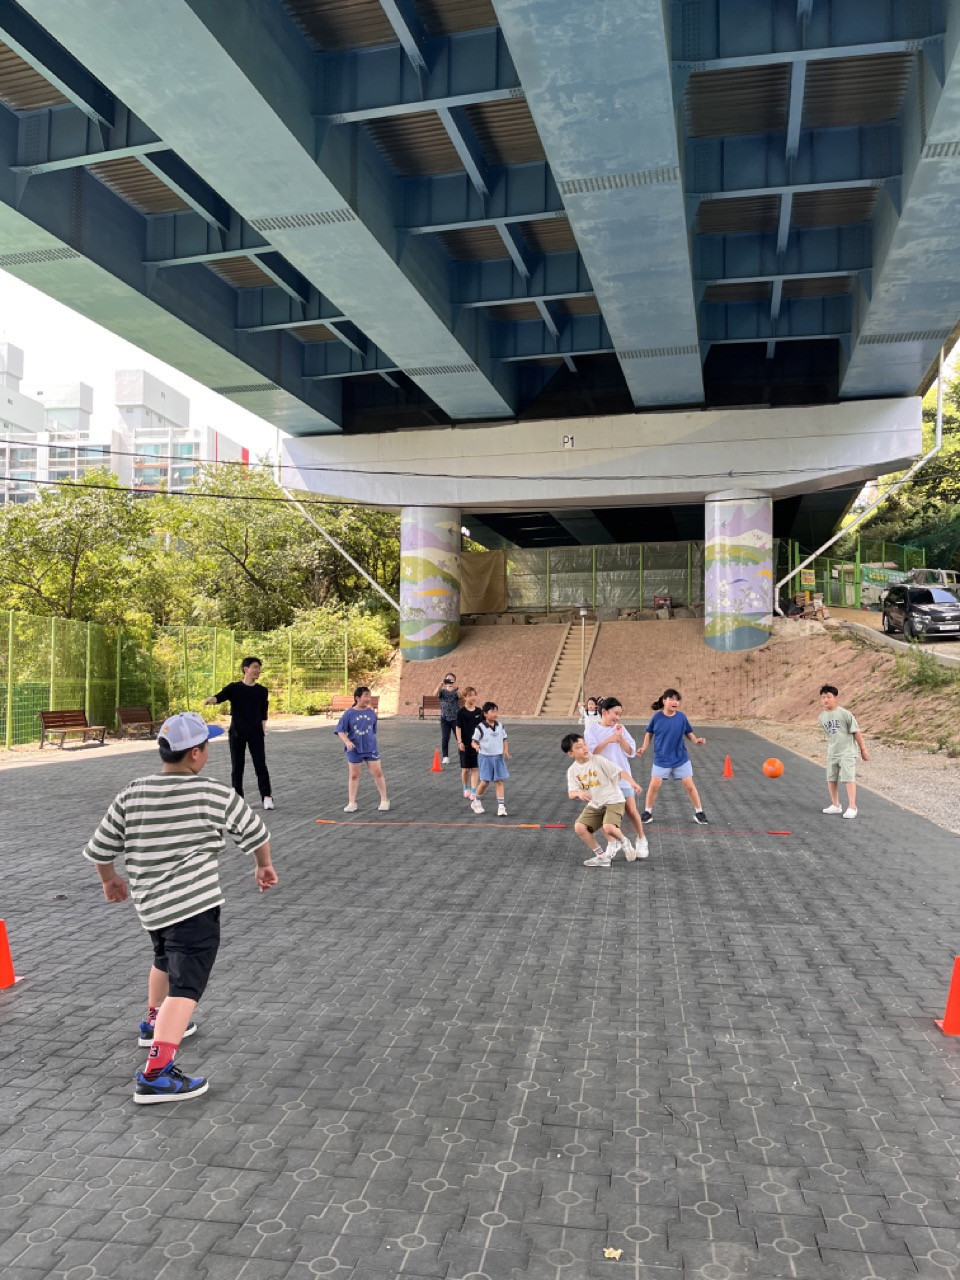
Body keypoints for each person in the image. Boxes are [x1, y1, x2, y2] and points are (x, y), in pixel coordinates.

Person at [82, 711, 278, 1104]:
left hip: (152, 908)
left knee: (163, 960)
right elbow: (255, 832)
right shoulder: (212, 792)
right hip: (195, 906)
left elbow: (101, 848)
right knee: (187, 986)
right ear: (195, 753)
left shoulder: (133, 792)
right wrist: (263, 865)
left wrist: (110, 880)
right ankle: (156, 1073)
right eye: (206, 745)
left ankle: (153, 1023)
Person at [563, 733, 644, 868]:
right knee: (579, 827)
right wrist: (579, 793)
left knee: (608, 827)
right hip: (595, 804)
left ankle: (624, 842)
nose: (584, 748)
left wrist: (632, 782)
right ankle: (602, 857)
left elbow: (620, 771)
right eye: (578, 747)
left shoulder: (598, 760)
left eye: (584, 744)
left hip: (614, 801)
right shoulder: (572, 771)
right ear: (570, 754)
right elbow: (571, 794)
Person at [204, 656, 273, 810]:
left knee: (260, 764)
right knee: (237, 766)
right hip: (237, 732)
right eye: (255, 667)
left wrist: (263, 728)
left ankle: (267, 796)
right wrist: (211, 699)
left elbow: (264, 712)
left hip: (255, 732)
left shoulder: (262, 690)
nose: (258, 670)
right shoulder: (234, 688)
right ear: (246, 669)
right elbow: (220, 696)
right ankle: (238, 799)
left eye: (259, 668)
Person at [583, 697, 648, 860]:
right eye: (615, 713)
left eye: (620, 714)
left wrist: (620, 738)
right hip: (602, 780)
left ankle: (641, 839)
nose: (618, 718)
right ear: (605, 712)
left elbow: (631, 752)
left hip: (622, 776)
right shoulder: (591, 730)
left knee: (631, 810)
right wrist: (609, 740)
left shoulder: (621, 729)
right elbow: (592, 753)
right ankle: (612, 843)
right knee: (603, 813)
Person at [638, 688, 708, 824]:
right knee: (654, 785)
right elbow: (649, 733)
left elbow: (688, 732)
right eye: (672, 699)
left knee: (689, 785)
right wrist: (644, 747)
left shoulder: (682, 717)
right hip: (661, 758)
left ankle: (699, 812)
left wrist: (696, 740)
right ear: (664, 701)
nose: (675, 702)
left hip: (680, 758)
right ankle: (648, 812)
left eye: (677, 700)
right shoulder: (656, 717)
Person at [335, 686, 389, 813]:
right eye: (366, 696)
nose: (368, 699)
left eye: (369, 696)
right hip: (354, 749)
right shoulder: (349, 713)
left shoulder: (371, 713)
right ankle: (352, 803)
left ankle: (384, 800)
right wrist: (347, 742)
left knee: (377, 773)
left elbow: (373, 731)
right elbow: (340, 730)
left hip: (370, 748)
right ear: (357, 698)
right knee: (354, 775)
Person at [818, 683, 869, 818]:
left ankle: (852, 807)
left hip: (847, 752)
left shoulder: (845, 714)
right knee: (831, 778)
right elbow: (830, 735)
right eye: (823, 697)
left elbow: (856, 731)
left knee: (848, 778)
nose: (825, 700)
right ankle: (836, 805)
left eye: (828, 697)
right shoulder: (821, 717)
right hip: (832, 752)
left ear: (835, 698)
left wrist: (863, 749)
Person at [470, 701, 510, 817]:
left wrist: (505, 750)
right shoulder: (480, 728)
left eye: (496, 711)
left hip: (498, 757)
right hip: (485, 758)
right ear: (485, 714)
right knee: (485, 782)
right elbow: (473, 741)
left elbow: (504, 739)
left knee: (499, 781)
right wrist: (476, 747)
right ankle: (476, 801)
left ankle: (501, 807)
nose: (495, 714)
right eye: (492, 711)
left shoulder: (500, 726)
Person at [455, 686, 484, 802]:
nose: (473, 697)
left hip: (476, 744)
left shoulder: (479, 712)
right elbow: (458, 727)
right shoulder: (461, 712)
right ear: (465, 697)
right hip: (465, 744)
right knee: (465, 769)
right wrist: (459, 741)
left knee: (475, 769)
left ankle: (473, 791)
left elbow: (482, 728)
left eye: (474, 695)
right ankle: (465, 788)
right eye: (470, 695)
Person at [434, 672, 460, 763]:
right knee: (445, 738)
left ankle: (461, 753)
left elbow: (461, 697)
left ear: (454, 680)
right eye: (448, 679)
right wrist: (440, 685)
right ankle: (445, 756)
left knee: (459, 737)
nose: (449, 680)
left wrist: (456, 689)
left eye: (451, 679)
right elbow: (435, 694)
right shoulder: (442, 691)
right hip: (444, 718)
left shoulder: (456, 691)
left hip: (455, 718)